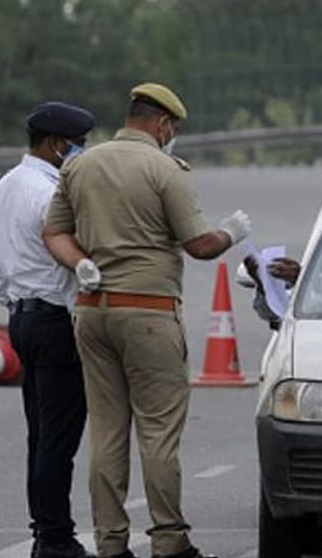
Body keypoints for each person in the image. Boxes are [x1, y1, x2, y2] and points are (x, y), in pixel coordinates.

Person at [42, 83, 253, 558]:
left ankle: (111, 543)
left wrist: (81, 263)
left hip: (93, 314)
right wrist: (232, 233)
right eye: (172, 128)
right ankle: (170, 540)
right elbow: (199, 246)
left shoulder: (79, 165)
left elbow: (53, 232)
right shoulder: (166, 170)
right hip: (149, 315)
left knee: (107, 430)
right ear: (162, 124)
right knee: (157, 431)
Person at [0, 101, 96, 558]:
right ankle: (54, 537)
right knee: (58, 437)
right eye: (78, 145)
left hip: (22, 318)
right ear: (55, 145)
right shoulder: (51, 193)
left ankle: (43, 534)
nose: (82, 152)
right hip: (54, 320)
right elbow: (74, 251)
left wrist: (16, 302)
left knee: (40, 433)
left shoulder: (4, 185)